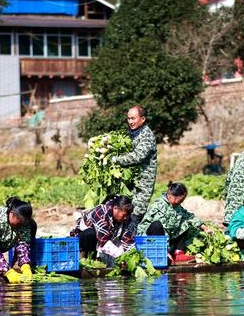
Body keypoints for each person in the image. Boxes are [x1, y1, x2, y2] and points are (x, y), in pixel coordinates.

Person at [110, 106, 157, 234]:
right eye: (128, 118)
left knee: (135, 216)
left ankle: (133, 244)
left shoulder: (147, 135)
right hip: (129, 182)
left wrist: (115, 159)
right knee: (122, 213)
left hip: (142, 185)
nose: (130, 121)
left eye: (133, 118)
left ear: (142, 119)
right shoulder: (132, 134)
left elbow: (137, 156)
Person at [138, 182, 211, 264]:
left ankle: (178, 253)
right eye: (181, 200)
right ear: (171, 196)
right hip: (150, 241)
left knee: (185, 223)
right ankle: (162, 254)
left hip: (167, 240)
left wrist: (204, 227)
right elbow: (164, 230)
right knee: (157, 225)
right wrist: (165, 251)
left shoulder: (176, 206)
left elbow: (189, 216)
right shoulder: (160, 205)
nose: (181, 202)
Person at [70, 195, 135, 267]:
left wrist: (129, 258)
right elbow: (104, 242)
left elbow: (128, 241)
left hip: (105, 240)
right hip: (84, 239)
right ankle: (86, 259)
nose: (126, 217)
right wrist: (121, 256)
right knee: (90, 234)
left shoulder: (126, 218)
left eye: (128, 215)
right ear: (115, 208)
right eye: (124, 215)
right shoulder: (101, 213)